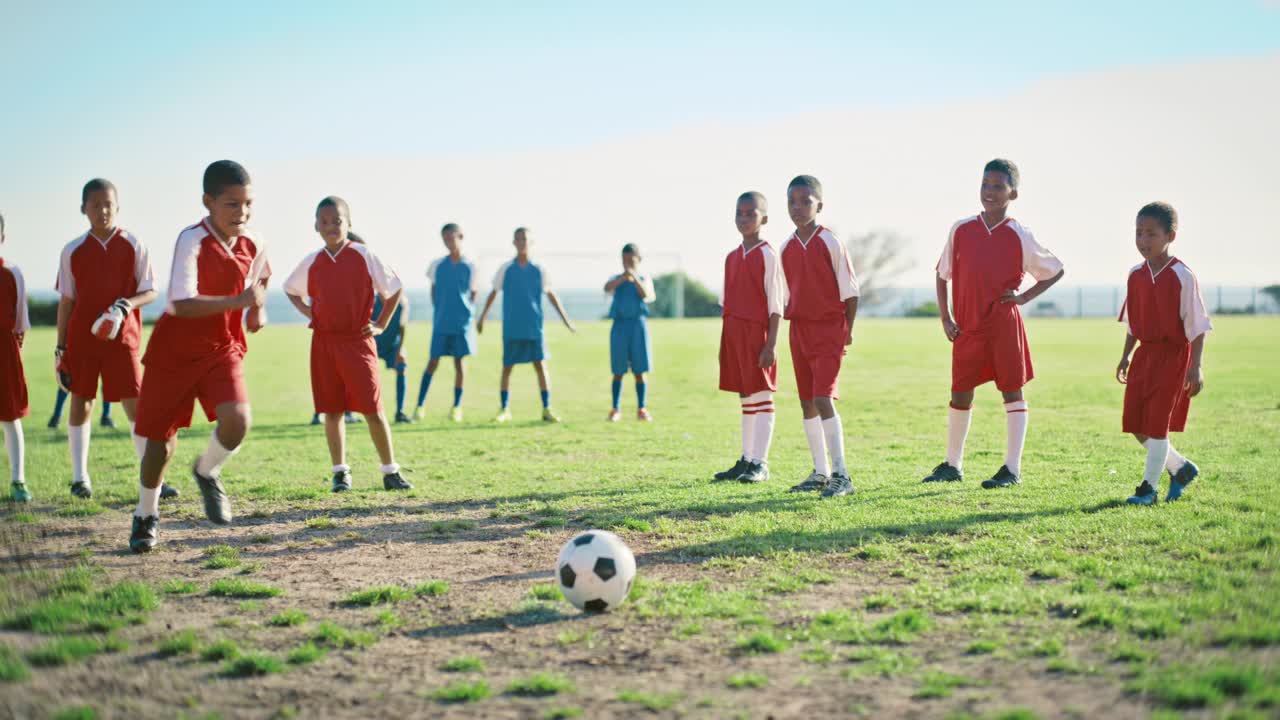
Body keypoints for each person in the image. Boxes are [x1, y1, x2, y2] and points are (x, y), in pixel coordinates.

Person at [128, 160, 271, 552]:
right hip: (174, 352)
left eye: (247, 204)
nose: (241, 212)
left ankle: (207, 472)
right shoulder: (191, 239)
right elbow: (179, 302)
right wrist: (240, 300)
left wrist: (256, 309)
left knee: (238, 420)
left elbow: (262, 273)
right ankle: (146, 515)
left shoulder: (253, 241)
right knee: (159, 444)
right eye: (231, 204)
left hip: (223, 346)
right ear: (208, 202)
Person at [921, 159, 1065, 489]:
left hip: (1003, 325)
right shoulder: (961, 229)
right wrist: (946, 318)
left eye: (998, 186)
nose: (990, 192)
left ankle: (1011, 469)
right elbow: (942, 275)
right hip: (967, 326)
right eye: (985, 184)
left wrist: (1024, 298)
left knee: (1012, 392)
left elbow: (1055, 270)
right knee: (959, 393)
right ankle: (952, 465)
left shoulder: (1019, 234)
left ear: (1012, 193)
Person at [284, 198, 412, 494]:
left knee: (372, 408)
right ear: (316, 226)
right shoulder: (312, 260)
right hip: (324, 343)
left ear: (349, 224)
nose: (330, 227)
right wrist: (309, 313)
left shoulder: (363, 255)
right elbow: (291, 290)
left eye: (337, 221)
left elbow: (394, 289)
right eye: (324, 222)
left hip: (358, 341)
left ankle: (390, 471)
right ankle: (340, 472)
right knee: (332, 410)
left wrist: (380, 323)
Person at [55, 179, 172, 500]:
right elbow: (67, 301)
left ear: (117, 206)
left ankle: (152, 476)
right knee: (82, 402)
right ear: (84, 209)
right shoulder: (72, 250)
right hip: (82, 340)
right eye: (95, 205)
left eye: (108, 204)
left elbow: (150, 291)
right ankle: (80, 478)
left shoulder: (134, 244)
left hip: (124, 339)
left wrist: (124, 305)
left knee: (136, 405)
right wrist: (60, 346)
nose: (103, 210)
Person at [1117, 202, 1211, 505]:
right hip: (1144, 357)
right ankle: (1180, 468)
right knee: (1136, 424)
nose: (1143, 241)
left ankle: (1148, 490)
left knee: (1157, 425)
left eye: (1151, 234)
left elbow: (1197, 325)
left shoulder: (1182, 275)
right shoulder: (1135, 275)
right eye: (1139, 233)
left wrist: (1195, 367)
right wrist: (1127, 355)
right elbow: (1133, 322)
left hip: (1173, 358)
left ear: (1170, 235)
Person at [778, 176, 860, 498]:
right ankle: (820, 472)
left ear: (819, 206)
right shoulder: (785, 248)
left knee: (824, 398)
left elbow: (851, 293)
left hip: (829, 329)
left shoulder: (831, 242)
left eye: (805, 201)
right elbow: (783, 296)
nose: (798, 208)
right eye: (792, 202)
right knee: (807, 402)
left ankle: (842, 474)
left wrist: (847, 331)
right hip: (799, 330)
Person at [712, 192, 783, 484]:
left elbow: (776, 304)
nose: (744, 219)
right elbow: (725, 304)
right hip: (734, 333)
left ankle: (761, 462)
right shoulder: (731, 258)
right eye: (739, 213)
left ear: (763, 218)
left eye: (750, 213)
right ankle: (746, 459)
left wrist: (771, 344)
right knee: (745, 395)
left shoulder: (768, 254)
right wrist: (726, 344)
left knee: (762, 394)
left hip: (758, 333)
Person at [476, 227, 575, 422]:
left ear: (531, 243)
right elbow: (493, 293)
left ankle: (546, 408)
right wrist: (482, 318)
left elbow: (551, 295)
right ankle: (504, 409)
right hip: (512, 327)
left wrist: (566, 320)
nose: (522, 242)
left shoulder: (539, 269)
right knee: (507, 367)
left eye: (525, 239)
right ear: (514, 242)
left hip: (534, 327)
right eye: (519, 239)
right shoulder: (506, 269)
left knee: (540, 365)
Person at [415, 223, 478, 423]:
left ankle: (456, 407)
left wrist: (465, 312)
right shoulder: (437, 265)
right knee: (433, 362)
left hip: (462, 324)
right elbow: (433, 291)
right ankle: (419, 406)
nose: (449, 241)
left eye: (452, 237)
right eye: (445, 238)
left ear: (461, 236)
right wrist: (440, 310)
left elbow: (473, 293)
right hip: (441, 322)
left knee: (460, 363)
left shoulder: (470, 266)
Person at [0, 210, 32, 502]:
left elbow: (20, 321)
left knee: (11, 417)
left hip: (5, 351)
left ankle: (18, 480)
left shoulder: (12, 273)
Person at [604, 243, 655, 422]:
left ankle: (642, 408)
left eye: (631, 260)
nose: (627, 263)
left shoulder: (644, 278)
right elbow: (607, 288)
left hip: (638, 326)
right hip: (619, 326)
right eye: (624, 260)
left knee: (640, 369)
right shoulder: (616, 278)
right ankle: (615, 408)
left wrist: (634, 278)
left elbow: (646, 295)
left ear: (638, 260)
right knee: (618, 369)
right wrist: (623, 279)